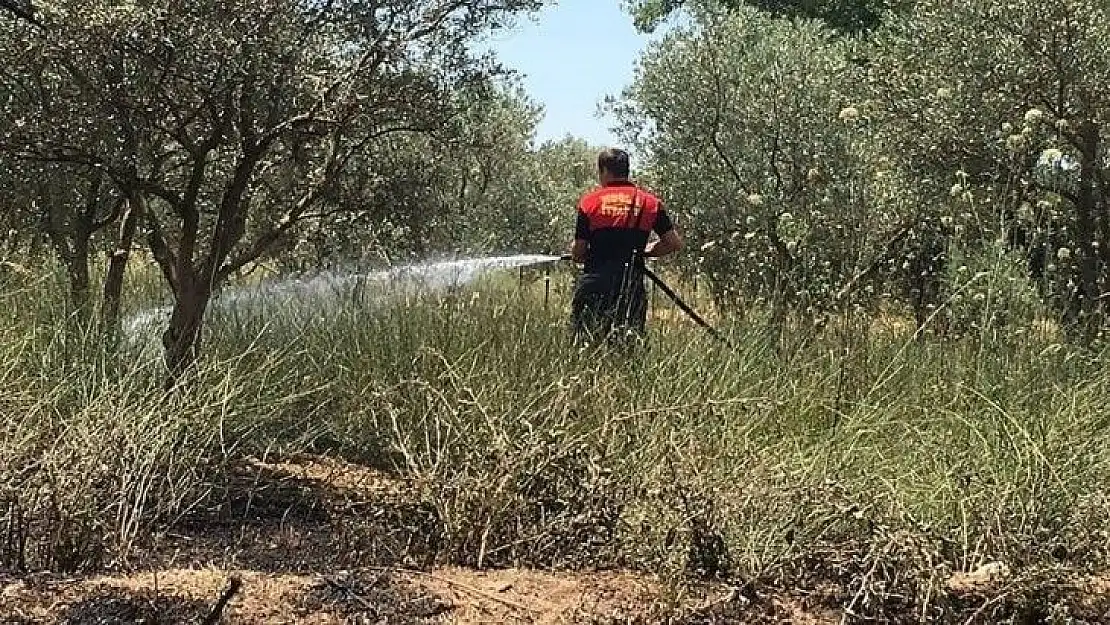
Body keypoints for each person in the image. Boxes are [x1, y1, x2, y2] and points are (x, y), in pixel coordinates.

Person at [568, 148, 682, 347]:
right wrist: (645, 250)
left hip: (594, 285)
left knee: (585, 346)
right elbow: (673, 243)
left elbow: (578, 252)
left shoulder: (589, 202)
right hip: (630, 287)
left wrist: (580, 254)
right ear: (627, 170)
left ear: (604, 171)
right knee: (628, 347)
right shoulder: (650, 203)